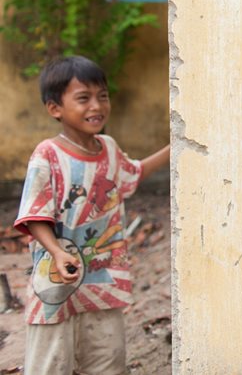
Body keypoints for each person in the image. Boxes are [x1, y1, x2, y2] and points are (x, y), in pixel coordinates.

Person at [14, 55, 171, 374]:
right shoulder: (48, 154)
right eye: (83, 98)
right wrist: (57, 252)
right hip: (56, 284)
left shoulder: (109, 148)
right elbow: (35, 215)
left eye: (102, 96)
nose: (96, 106)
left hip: (103, 282)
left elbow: (134, 173)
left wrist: (177, 146)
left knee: (107, 360)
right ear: (55, 108)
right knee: (51, 363)